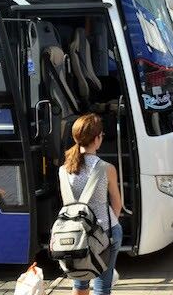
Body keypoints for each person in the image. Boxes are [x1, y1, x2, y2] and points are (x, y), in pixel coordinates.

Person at [61, 113, 122, 295]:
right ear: (97, 139)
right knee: (102, 287)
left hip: (76, 234)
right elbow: (117, 204)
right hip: (104, 232)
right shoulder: (106, 168)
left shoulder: (63, 170)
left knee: (80, 285)